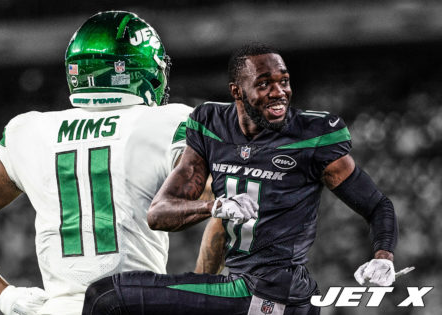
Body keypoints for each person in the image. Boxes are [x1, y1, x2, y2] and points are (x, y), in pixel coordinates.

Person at [82, 42, 404, 315]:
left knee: (106, 297)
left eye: (284, 81)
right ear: (237, 91)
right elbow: (158, 213)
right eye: (264, 83)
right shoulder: (211, 125)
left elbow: (377, 205)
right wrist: (214, 207)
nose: (279, 92)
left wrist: (384, 256)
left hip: (276, 291)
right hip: (239, 287)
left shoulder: (311, 136)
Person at [0, 11, 193, 315]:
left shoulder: (33, 132)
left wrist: (5, 296)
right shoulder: (167, 123)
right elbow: (222, 202)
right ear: (137, 71)